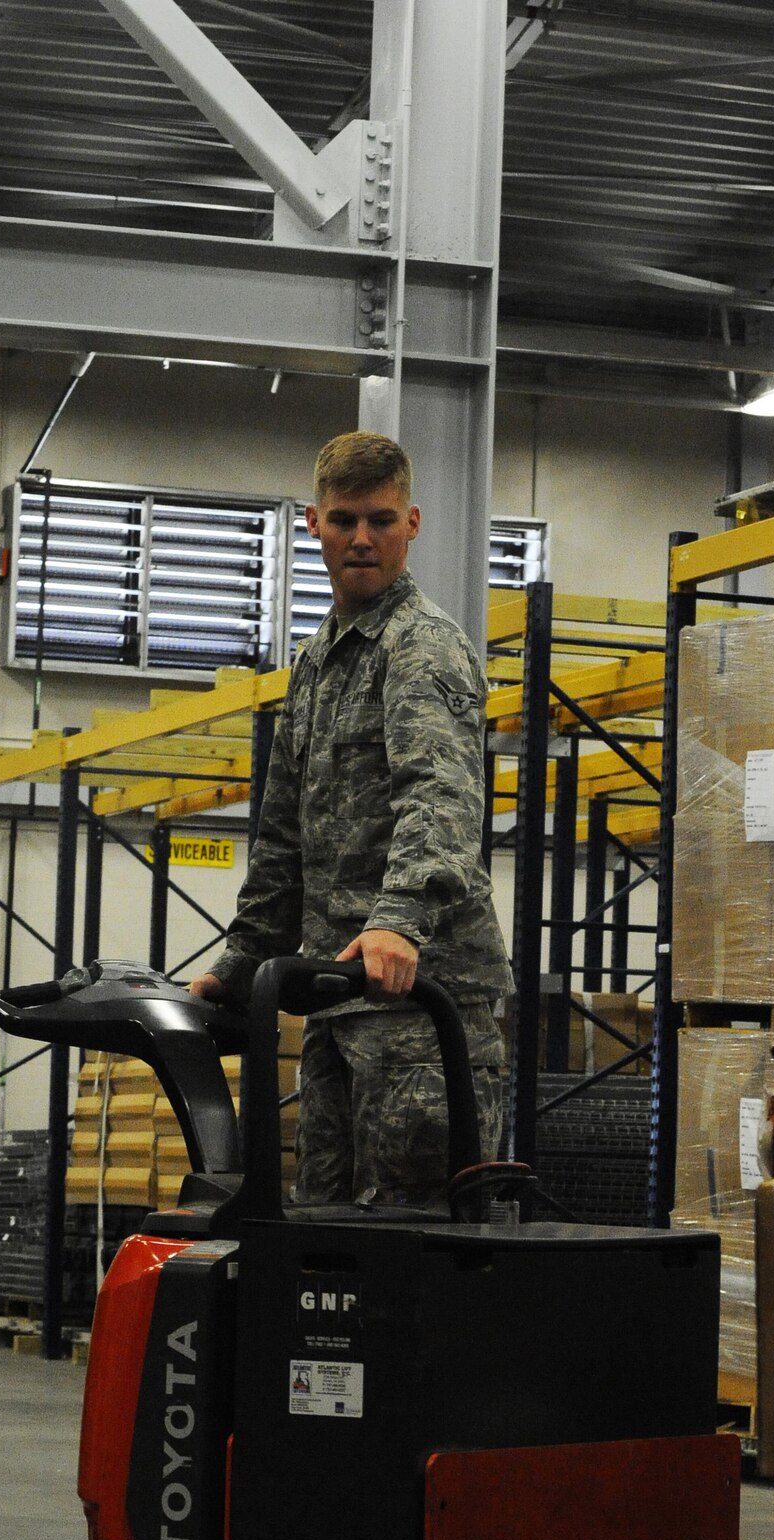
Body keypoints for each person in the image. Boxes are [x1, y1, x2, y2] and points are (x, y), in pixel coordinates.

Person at [191, 430, 511, 1207]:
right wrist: (241, 964)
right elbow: (282, 835)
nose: (361, 539)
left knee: (416, 1240)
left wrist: (400, 919)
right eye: (343, 521)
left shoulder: (422, 647)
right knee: (324, 1242)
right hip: (336, 1007)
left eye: (380, 519)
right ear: (313, 524)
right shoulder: (316, 661)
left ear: (413, 523)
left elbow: (440, 797)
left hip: (419, 1009)